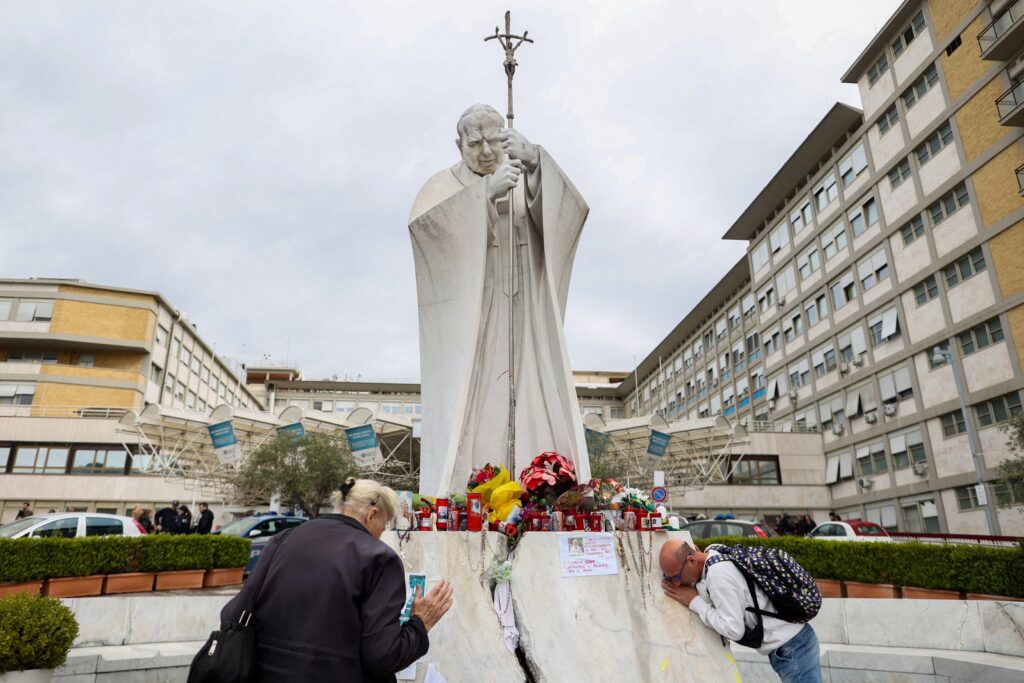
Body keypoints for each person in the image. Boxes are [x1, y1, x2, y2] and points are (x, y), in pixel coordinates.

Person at [409, 104, 591, 496]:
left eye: (494, 140)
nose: (486, 151)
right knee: (475, 403)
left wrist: (538, 163)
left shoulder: (523, 171)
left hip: (525, 313)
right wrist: (483, 198)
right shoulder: (441, 186)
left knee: (535, 390)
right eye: (475, 143)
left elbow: (571, 213)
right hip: (475, 316)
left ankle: (542, 487)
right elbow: (427, 234)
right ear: (459, 144)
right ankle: (467, 490)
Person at [220, 477, 454, 681]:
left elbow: (232, 614)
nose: (380, 536)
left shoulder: (283, 540)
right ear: (371, 515)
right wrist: (421, 622)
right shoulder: (378, 558)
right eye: (382, 528)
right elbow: (382, 656)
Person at [661, 541, 822, 682]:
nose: (676, 583)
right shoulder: (715, 553)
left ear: (691, 560)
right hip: (795, 640)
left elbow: (733, 630)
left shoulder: (718, 575)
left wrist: (695, 602)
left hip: (791, 647)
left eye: (676, 576)